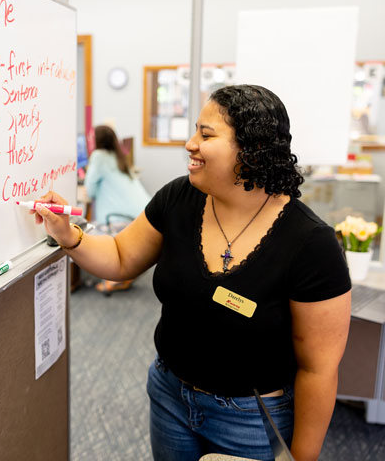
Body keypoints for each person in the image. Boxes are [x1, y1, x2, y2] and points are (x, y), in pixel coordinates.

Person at [32, 85, 351, 461]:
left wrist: (303, 458)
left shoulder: (310, 243)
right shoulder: (179, 198)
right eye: (194, 130)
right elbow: (119, 257)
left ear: (251, 150)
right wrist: (67, 234)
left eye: (206, 134)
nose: (190, 143)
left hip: (249, 418)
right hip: (170, 395)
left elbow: (318, 370)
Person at [84, 125, 151, 292]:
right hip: (143, 216)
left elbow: (89, 190)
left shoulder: (98, 156)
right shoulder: (119, 156)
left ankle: (113, 276)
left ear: (97, 141)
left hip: (121, 219)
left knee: (81, 233)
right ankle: (126, 270)